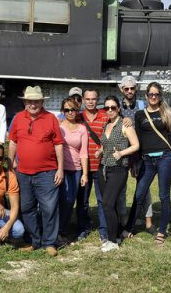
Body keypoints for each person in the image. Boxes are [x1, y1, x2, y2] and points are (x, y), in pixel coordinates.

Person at [123, 82, 171, 247]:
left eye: (156, 94)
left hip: (165, 158)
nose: (153, 97)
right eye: (151, 94)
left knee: (164, 195)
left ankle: (162, 231)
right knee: (139, 194)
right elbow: (139, 141)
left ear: (160, 95)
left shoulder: (166, 113)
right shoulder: (140, 115)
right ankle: (128, 228)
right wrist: (135, 162)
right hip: (147, 160)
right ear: (146, 96)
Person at [8, 86, 64, 256]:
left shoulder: (51, 118)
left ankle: (49, 242)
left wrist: (60, 169)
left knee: (49, 208)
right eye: (30, 101)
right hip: (23, 173)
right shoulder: (18, 118)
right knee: (26, 208)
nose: (33, 104)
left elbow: (58, 144)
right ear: (25, 102)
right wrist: (10, 166)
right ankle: (34, 240)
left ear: (42, 102)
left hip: (47, 172)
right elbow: (13, 142)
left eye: (36, 101)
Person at [96, 96, 139, 252]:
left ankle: (113, 242)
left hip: (119, 169)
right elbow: (106, 145)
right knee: (108, 204)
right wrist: (99, 151)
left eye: (113, 107)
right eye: (106, 108)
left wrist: (121, 153)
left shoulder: (125, 124)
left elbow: (136, 145)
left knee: (107, 203)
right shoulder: (106, 126)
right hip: (104, 168)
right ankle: (117, 233)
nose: (109, 110)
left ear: (118, 109)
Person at [118, 76, 155, 235]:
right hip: (121, 152)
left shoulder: (142, 105)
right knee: (120, 189)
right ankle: (123, 221)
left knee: (144, 189)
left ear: (136, 89)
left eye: (132, 88)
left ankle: (148, 222)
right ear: (122, 90)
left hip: (139, 153)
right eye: (126, 89)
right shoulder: (115, 107)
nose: (129, 91)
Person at [76, 88, 109, 242]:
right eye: (87, 99)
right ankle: (83, 228)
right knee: (82, 201)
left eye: (93, 99)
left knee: (102, 200)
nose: (90, 102)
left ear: (98, 100)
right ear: (83, 100)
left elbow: (115, 130)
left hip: (100, 165)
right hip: (82, 167)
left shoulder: (105, 116)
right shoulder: (77, 117)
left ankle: (103, 230)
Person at [58, 97, 88, 245]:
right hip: (60, 168)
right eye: (67, 110)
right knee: (60, 200)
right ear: (62, 111)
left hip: (75, 169)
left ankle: (62, 230)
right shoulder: (58, 126)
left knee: (70, 201)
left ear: (77, 111)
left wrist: (85, 173)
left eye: (73, 110)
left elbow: (84, 152)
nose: (70, 112)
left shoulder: (82, 129)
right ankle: (56, 230)